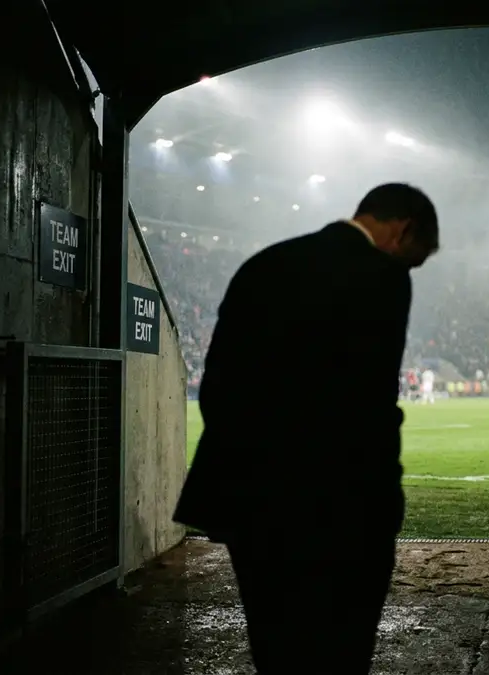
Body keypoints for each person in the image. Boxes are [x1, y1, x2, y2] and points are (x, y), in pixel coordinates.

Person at [172, 183, 439, 674]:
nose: (409, 270)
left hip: (249, 499)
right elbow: (369, 403)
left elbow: (216, 390)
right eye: (414, 259)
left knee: (276, 651)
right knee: (340, 652)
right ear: (402, 232)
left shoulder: (263, 265)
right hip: (339, 506)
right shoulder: (382, 276)